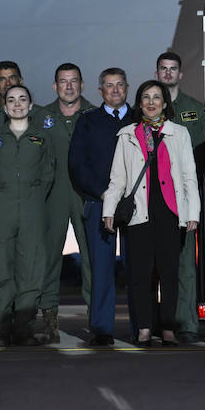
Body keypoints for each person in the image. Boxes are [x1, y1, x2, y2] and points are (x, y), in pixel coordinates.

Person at [102, 81, 199, 346]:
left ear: (165, 103)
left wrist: (193, 213)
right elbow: (117, 179)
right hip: (138, 215)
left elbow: (189, 176)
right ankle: (144, 327)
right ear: (139, 102)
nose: (152, 102)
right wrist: (108, 210)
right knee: (140, 275)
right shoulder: (128, 134)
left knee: (170, 273)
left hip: (170, 212)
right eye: (146, 97)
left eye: (157, 97)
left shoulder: (178, 133)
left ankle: (168, 327)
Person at [0, 84, 54, 346]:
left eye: (23, 99)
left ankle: (24, 329)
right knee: (0, 270)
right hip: (1, 210)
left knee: (31, 269)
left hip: (32, 210)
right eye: (11, 100)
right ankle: (0, 328)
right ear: (4, 106)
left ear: (31, 105)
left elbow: (48, 173)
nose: (17, 104)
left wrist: (32, 197)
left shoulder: (42, 138)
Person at [69, 68, 132, 346]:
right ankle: (102, 328)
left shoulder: (139, 119)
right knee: (101, 268)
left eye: (120, 85)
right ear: (100, 91)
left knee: (138, 268)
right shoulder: (88, 121)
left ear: (127, 88)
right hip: (99, 201)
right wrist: (102, 191)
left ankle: (142, 326)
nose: (115, 90)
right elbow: (77, 164)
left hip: (135, 203)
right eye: (109, 86)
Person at [37, 62, 94, 342]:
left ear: (82, 85)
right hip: (54, 193)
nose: (69, 86)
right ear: (55, 86)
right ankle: (48, 319)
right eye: (63, 81)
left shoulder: (95, 114)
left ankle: (97, 317)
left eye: (74, 81)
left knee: (93, 258)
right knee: (49, 259)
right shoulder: (41, 116)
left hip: (86, 194)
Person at [155, 51, 205, 344]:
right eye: (163, 69)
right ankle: (154, 322)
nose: (168, 74)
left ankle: (186, 324)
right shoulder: (148, 109)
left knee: (185, 265)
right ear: (157, 72)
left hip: (184, 197)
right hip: (155, 198)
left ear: (180, 74)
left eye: (173, 69)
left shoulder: (195, 111)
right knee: (155, 266)